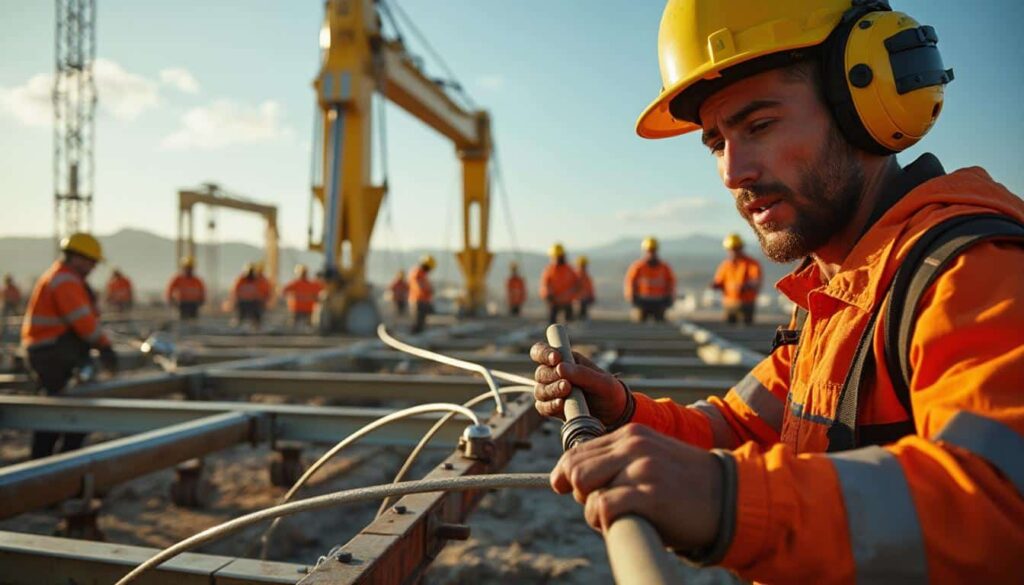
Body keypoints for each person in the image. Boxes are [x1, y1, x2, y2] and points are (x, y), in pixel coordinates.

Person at [532, 1, 1024, 582]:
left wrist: (728, 499)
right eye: (716, 142)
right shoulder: (835, 298)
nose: (732, 172)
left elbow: (1002, 501)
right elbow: (738, 428)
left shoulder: (968, 274)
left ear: (864, 102)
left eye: (759, 125)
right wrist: (625, 411)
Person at [21, 233, 118, 459]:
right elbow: (83, 322)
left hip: (52, 352)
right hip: (52, 353)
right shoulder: (65, 280)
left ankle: (53, 464)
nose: (94, 266)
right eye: (92, 261)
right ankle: (50, 467)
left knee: (61, 408)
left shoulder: (64, 278)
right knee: (61, 411)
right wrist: (104, 346)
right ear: (78, 257)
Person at [711, 233, 762, 325]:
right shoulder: (725, 265)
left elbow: (756, 280)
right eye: (731, 249)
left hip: (746, 303)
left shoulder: (751, 263)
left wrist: (746, 286)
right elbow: (719, 280)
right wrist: (715, 285)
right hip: (729, 303)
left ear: (740, 248)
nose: (733, 252)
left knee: (746, 330)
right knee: (730, 329)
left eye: (735, 249)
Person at [623, 237, 676, 322]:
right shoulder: (638, 267)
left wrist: (670, 298)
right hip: (642, 302)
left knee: (660, 326)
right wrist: (631, 296)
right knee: (639, 327)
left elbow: (671, 283)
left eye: (653, 251)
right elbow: (630, 282)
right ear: (644, 251)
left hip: (659, 302)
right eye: (649, 251)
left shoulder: (664, 268)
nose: (651, 253)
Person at [539, 243, 578, 325]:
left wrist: (570, 295)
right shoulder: (549, 270)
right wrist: (549, 296)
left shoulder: (569, 270)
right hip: (554, 302)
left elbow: (576, 285)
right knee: (552, 324)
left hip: (567, 301)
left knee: (569, 323)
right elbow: (545, 285)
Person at [408, 255, 435, 333]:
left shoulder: (422, 274)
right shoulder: (417, 273)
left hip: (422, 300)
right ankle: (415, 335)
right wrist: (428, 291)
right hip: (418, 300)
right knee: (417, 321)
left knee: (421, 321)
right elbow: (419, 287)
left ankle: (418, 333)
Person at [232, 263, 264, 328]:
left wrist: (261, 301)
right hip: (243, 301)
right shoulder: (241, 280)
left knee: (256, 316)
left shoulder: (257, 281)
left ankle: (256, 327)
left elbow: (260, 292)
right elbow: (235, 291)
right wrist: (235, 300)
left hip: (253, 302)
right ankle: (236, 327)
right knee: (241, 316)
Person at [575, 256, 595, 321]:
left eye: (584, 265)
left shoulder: (586, 276)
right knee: (577, 315)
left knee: (583, 315)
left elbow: (590, 287)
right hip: (577, 300)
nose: (583, 267)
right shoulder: (575, 276)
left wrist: (591, 296)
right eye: (582, 265)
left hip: (584, 300)